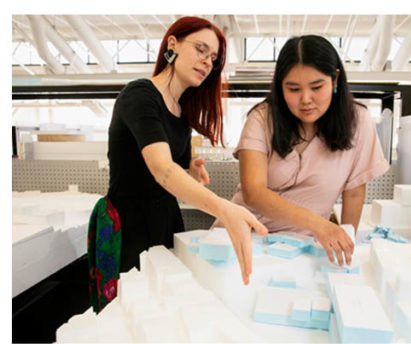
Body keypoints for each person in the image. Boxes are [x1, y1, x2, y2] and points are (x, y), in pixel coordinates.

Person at [105, 16, 267, 287]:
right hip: (130, 225)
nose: (207, 62)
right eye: (200, 49)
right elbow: (161, 169)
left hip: (166, 219)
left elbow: (170, 168)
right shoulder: (140, 95)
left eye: (213, 58)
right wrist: (224, 208)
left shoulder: (181, 111)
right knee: (135, 305)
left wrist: (188, 170)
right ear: (173, 44)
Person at [214, 35, 388, 266]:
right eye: (293, 89)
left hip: (302, 247)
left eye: (317, 87)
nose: (306, 99)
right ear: (280, 86)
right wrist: (318, 224)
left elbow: (354, 192)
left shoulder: (358, 121)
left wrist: (346, 242)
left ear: (335, 80)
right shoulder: (261, 118)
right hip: (242, 237)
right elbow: (253, 193)